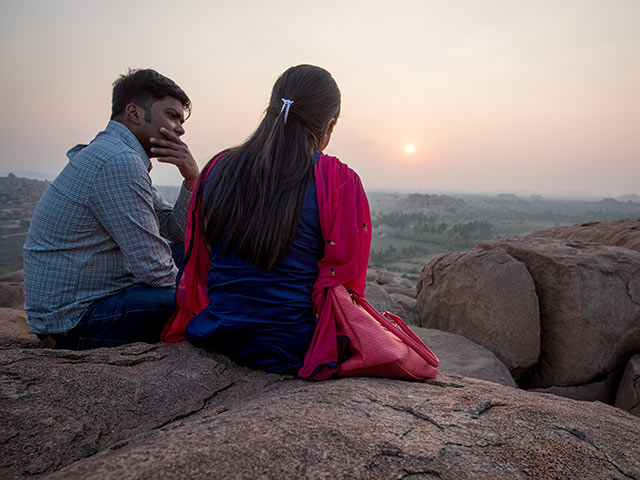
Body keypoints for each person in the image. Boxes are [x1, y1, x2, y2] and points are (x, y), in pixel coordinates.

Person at [162, 64, 372, 378]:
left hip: (217, 334)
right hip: (293, 349)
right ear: (329, 125)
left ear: (270, 110)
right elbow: (345, 278)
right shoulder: (338, 181)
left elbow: (202, 260)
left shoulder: (218, 167)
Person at [23, 68, 199, 350]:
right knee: (200, 298)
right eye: (172, 115)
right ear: (134, 113)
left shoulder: (118, 152)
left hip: (96, 298)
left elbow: (175, 231)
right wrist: (198, 290)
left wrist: (191, 180)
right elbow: (154, 270)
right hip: (75, 320)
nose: (180, 128)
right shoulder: (118, 161)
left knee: (198, 255)